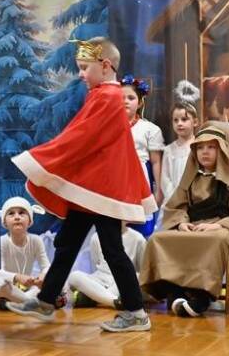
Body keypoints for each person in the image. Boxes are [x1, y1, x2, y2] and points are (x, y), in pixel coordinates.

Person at [8, 37, 156, 333]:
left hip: (102, 189)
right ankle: (46, 300)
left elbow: (80, 136)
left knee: (112, 249)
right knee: (68, 242)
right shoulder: (103, 94)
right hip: (92, 189)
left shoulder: (107, 96)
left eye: (84, 67)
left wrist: (41, 157)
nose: (80, 74)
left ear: (105, 66)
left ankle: (136, 312)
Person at [140, 125, 229, 317]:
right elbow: (176, 207)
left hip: (221, 227)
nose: (205, 152)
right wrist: (181, 223)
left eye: (211, 147)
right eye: (200, 148)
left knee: (215, 240)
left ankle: (202, 296)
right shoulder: (190, 178)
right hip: (192, 226)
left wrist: (217, 225)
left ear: (221, 150)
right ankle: (174, 291)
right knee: (157, 239)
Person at [0, 197, 50, 308]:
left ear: (30, 220)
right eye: (11, 214)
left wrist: (43, 275)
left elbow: (46, 266)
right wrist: (16, 277)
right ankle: (28, 301)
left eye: (22, 213)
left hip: (27, 289)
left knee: (54, 280)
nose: (17, 217)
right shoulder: (1, 242)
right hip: (7, 288)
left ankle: (19, 301)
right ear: (4, 222)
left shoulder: (36, 240)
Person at [122, 75, 164, 235]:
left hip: (139, 180)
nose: (125, 101)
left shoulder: (150, 129)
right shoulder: (108, 127)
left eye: (131, 98)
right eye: (121, 98)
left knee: (141, 228)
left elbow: (156, 162)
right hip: (116, 179)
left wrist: (158, 190)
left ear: (140, 103)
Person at [70, 224, 147, 310]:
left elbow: (142, 268)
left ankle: (93, 297)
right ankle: (115, 301)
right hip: (100, 279)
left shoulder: (138, 238)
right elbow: (97, 262)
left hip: (122, 280)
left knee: (136, 276)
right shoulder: (96, 237)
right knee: (74, 276)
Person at [161, 98, 200, 203]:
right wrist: (174, 198)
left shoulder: (199, 147)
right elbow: (165, 178)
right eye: (176, 120)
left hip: (195, 200)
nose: (179, 123)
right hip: (173, 200)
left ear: (195, 122)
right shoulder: (169, 150)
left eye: (184, 119)